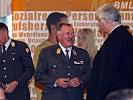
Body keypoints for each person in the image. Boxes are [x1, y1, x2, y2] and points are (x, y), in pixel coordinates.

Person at [87, 4, 133, 100]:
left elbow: (107, 74)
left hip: (113, 95)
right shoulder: (128, 38)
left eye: (99, 21)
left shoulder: (114, 41)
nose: (99, 25)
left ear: (106, 20)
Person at [35, 23, 91, 100]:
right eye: (67, 33)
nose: (71, 36)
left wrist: (80, 80)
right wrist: (55, 82)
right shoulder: (47, 52)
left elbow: (89, 74)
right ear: (58, 36)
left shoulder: (82, 53)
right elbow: (38, 75)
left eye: (72, 33)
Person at [33, 12, 68, 100]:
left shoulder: (70, 48)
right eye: (63, 25)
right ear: (53, 27)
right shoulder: (41, 50)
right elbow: (39, 76)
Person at [0, 22, 35, 100]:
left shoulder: (20, 47)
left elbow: (30, 69)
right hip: (2, 95)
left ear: (5, 32)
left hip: (19, 94)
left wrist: (17, 82)